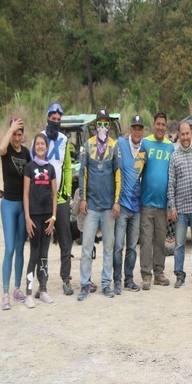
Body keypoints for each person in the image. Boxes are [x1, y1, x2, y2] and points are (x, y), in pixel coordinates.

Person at [77, 109, 122, 301]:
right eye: (99, 123)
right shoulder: (87, 145)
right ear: (95, 126)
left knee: (108, 247)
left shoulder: (115, 146)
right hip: (92, 206)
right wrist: (83, 199)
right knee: (87, 246)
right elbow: (83, 173)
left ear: (109, 126)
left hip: (108, 206)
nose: (102, 126)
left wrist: (117, 202)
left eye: (105, 123)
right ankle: (85, 284)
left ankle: (106, 283)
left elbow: (118, 175)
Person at [37, 102, 75, 296]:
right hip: (41, 199)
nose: (56, 123)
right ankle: (41, 283)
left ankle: (66, 279)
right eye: (53, 120)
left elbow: (67, 167)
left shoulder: (64, 140)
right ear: (47, 118)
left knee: (65, 239)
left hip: (60, 198)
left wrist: (67, 190)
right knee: (42, 241)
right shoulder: (40, 139)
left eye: (59, 120)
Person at [167, 121, 192, 289]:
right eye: (182, 134)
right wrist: (172, 207)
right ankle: (179, 275)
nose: (185, 137)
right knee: (179, 244)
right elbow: (171, 184)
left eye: (187, 133)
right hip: (181, 210)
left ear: (191, 134)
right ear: (179, 135)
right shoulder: (174, 156)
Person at [0, 117, 31, 310]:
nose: (17, 138)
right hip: (8, 204)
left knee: (20, 248)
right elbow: (0, 148)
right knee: (9, 248)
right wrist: (10, 129)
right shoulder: (7, 150)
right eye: (14, 134)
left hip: (22, 205)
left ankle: (17, 288)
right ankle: (5, 293)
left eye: (20, 134)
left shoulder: (26, 153)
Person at [139, 112, 174, 289]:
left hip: (163, 203)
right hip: (146, 202)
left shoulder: (170, 147)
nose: (160, 127)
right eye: (158, 124)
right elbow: (137, 170)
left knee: (161, 240)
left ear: (166, 127)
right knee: (145, 240)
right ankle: (146, 275)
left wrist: (172, 204)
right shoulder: (145, 143)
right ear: (153, 125)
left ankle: (159, 273)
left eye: (163, 124)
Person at [23, 133, 57, 308]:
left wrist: (53, 217)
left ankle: (43, 290)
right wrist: (27, 218)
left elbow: (54, 195)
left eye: (43, 144)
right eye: (38, 144)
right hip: (34, 217)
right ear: (34, 147)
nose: (41, 146)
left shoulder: (50, 168)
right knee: (34, 255)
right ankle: (28, 292)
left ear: (47, 147)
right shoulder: (29, 167)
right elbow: (26, 194)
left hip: (47, 217)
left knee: (44, 255)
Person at [113, 115, 147, 295]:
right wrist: (114, 201)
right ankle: (117, 281)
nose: (136, 131)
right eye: (134, 127)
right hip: (121, 206)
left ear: (143, 131)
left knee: (132, 247)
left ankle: (128, 280)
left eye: (139, 128)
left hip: (136, 206)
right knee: (118, 245)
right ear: (130, 129)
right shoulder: (120, 144)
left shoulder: (145, 149)